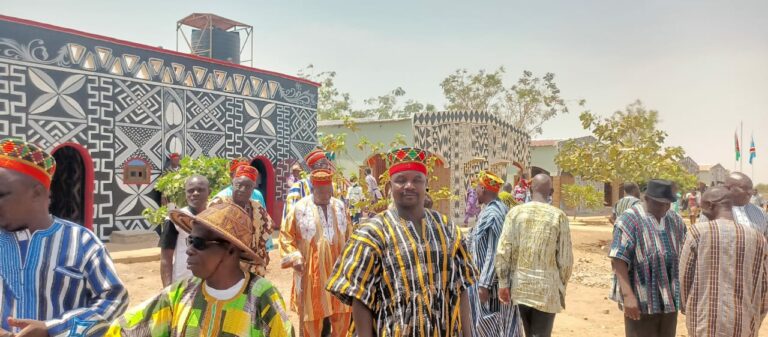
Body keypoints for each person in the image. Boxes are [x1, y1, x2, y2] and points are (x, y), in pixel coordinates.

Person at [326, 146, 477, 337]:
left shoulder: (447, 229)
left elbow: (462, 287)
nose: (409, 186)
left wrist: (468, 333)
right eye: (401, 180)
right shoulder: (372, 234)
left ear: (426, 184)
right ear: (389, 187)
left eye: (417, 180)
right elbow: (360, 298)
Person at [0, 138, 128, 337]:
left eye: (2, 195)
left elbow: (114, 299)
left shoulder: (82, 242)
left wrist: (53, 329)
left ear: (37, 193)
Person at [106, 203, 294, 337]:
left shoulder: (262, 298)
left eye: (198, 243)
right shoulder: (178, 295)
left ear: (230, 250)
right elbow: (125, 329)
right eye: (190, 241)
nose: (189, 250)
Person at [679, 186, 768, 337]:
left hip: (705, 323)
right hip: (744, 324)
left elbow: (684, 278)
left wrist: (688, 308)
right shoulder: (758, 238)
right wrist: (756, 317)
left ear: (710, 205)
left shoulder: (697, 233)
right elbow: (764, 286)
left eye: (702, 205)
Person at [496, 173, 572, 337]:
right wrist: (560, 286)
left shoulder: (515, 213)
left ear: (530, 189)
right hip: (547, 290)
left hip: (520, 287)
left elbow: (503, 250)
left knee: (529, 332)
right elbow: (565, 261)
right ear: (551, 192)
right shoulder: (558, 216)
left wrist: (503, 282)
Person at [609, 179, 686, 337]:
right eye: (659, 203)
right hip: (641, 299)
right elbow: (618, 259)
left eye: (668, 204)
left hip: (669, 299)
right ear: (646, 198)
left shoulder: (675, 220)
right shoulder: (629, 219)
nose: (664, 208)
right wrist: (628, 296)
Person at [280, 169, 352, 337]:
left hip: (339, 271)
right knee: (312, 315)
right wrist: (295, 257)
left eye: (329, 191)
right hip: (312, 274)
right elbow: (285, 236)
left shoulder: (340, 206)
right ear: (313, 189)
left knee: (342, 312)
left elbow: (349, 234)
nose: (326, 195)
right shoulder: (300, 208)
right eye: (321, 191)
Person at [468, 171, 523, 337]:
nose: (475, 192)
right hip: (491, 282)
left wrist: (484, 284)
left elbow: (495, 251)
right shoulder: (494, 209)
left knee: (495, 326)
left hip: (493, 285)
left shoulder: (494, 214)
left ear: (483, 189)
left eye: (476, 188)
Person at [209, 165, 276, 276]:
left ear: (253, 188)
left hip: (251, 265)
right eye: (239, 185)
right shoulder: (219, 204)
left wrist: (264, 254)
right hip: (223, 262)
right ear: (232, 184)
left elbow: (267, 228)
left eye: (248, 186)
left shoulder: (257, 208)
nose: (242, 190)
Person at [159, 175, 210, 287]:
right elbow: (166, 258)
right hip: (183, 282)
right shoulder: (175, 219)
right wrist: (167, 290)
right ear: (186, 194)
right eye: (190, 191)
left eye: (200, 190)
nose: (195, 193)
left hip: (209, 282)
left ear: (209, 192)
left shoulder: (215, 219)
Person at [283, 148, 334, 222]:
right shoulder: (298, 188)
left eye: (328, 164)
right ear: (312, 167)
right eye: (323, 164)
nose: (327, 167)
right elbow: (289, 217)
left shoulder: (334, 187)